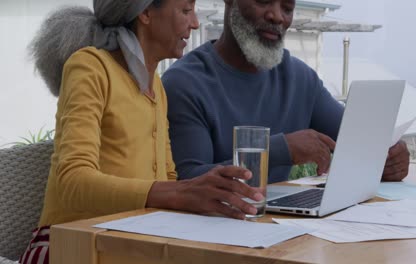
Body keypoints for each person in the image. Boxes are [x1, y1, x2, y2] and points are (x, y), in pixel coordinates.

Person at [20, 1, 264, 263]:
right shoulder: (90, 67)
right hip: (73, 246)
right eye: (185, 10)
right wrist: (179, 193)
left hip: (131, 239)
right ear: (145, 12)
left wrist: (203, 196)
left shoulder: (156, 85)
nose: (194, 23)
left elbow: (167, 177)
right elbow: (73, 181)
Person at [162, 0, 410, 184]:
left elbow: (360, 140)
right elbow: (188, 181)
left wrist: (389, 157)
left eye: (288, 8)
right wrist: (280, 150)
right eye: (263, 1)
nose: (277, 16)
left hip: (282, 233)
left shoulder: (299, 79)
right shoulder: (184, 83)